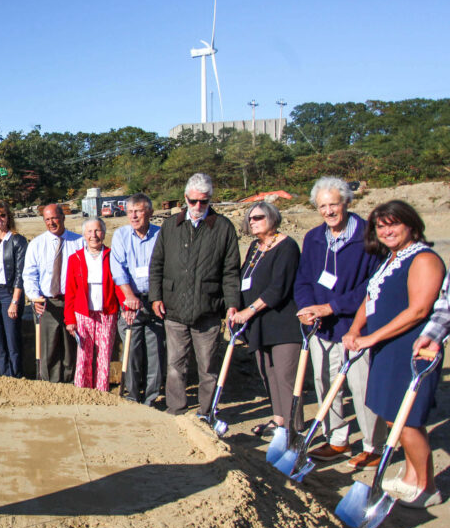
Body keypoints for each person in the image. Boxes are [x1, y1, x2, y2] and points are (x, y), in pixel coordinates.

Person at [344, 200, 444, 508]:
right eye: (381, 226)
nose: (387, 231)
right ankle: (410, 475)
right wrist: (356, 329)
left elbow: (419, 310)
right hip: (386, 348)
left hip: (412, 349)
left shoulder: (424, 259)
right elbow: (370, 299)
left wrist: (372, 336)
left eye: (393, 224)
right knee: (392, 416)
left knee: (409, 420)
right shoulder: (391, 259)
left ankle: (426, 486)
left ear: (411, 224)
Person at [295, 177, 384, 468]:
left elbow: (373, 286)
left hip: (356, 325)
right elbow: (304, 279)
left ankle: (373, 446)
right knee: (324, 383)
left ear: (346, 202)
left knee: (362, 386)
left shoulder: (368, 236)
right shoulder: (314, 238)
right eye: (322, 206)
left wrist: (332, 306)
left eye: (333, 204)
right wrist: (307, 308)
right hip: (321, 326)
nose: (328, 211)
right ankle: (336, 439)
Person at [149, 173, 241, 416]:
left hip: (208, 309)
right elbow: (157, 264)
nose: (198, 206)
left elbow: (231, 271)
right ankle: (176, 408)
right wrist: (156, 296)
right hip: (174, 307)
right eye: (193, 201)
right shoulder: (170, 226)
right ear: (185, 199)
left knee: (208, 367)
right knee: (175, 365)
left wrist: (232, 303)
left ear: (211, 200)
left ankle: (207, 412)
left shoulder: (224, 228)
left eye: (204, 201)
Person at [229, 202, 302, 436]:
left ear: (272, 218)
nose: (252, 222)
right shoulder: (255, 247)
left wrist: (248, 310)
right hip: (259, 325)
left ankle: (293, 429)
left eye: (258, 217)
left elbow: (277, 288)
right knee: (267, 373)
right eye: (250, 218)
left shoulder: (287, 246)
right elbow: (244, 280)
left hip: (282, 323)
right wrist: (234, 308)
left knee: (284, 376)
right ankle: (278, 420)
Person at [109, 193, 165, 403]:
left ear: (149, 212)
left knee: (155, 353)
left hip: (155, 300)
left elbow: (164, 267)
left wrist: (158, 297)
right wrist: (129, 296)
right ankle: (132, 396)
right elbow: (118, 269)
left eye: (138, 211)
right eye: (130, 212)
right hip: (130, 301)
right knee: (131, 352)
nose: (133, 216)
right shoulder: (121, 236)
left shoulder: (161, 235)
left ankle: (151, 398)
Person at [23, 203, 84, 382]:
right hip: (47, 302)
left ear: (63, 217)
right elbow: (29, 274)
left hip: (71, 302)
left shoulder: (78, 242)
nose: (51, 222)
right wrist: (34, 297)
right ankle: (50, 384)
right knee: (48, 347)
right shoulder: (36, 244)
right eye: (47, 219)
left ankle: (69, 381)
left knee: (69, 346)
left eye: (55, 218)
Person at [64, 217, 125, 391]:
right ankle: (83, 390)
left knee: (104, 354)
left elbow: (119, 284)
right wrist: (70, 319)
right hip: (83, 314)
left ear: (104, 233)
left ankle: (101, 390)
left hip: (107, 313)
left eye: (97, 231)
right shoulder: (74, 259)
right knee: (84, 354)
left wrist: (126, 307)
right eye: (89, 231)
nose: (94, 235)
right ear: (84, 234)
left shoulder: (112, 256)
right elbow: (71, 291)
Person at [0, 201, 27, 377]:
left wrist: (15, 301)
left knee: (12, 339)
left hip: (9, 295)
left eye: (2, 215)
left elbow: (20, 274)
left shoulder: (18, 241)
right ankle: (5, 376)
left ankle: (16, 375)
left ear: (9, 218)